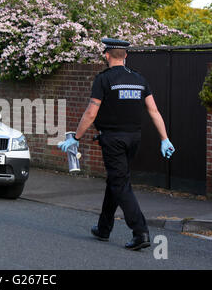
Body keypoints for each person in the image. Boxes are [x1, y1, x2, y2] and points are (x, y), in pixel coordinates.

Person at [58, 38, 175, 250]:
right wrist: (164, 138)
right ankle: (104, 228)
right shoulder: (139, 79)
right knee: (116, 180)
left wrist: (75, 138)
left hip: (113, 140)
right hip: (134, 139)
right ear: (126, 56)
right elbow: (154, 111)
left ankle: (140, 233)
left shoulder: (104, 80)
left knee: (120, 183)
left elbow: (91, 113)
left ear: (107, 55)